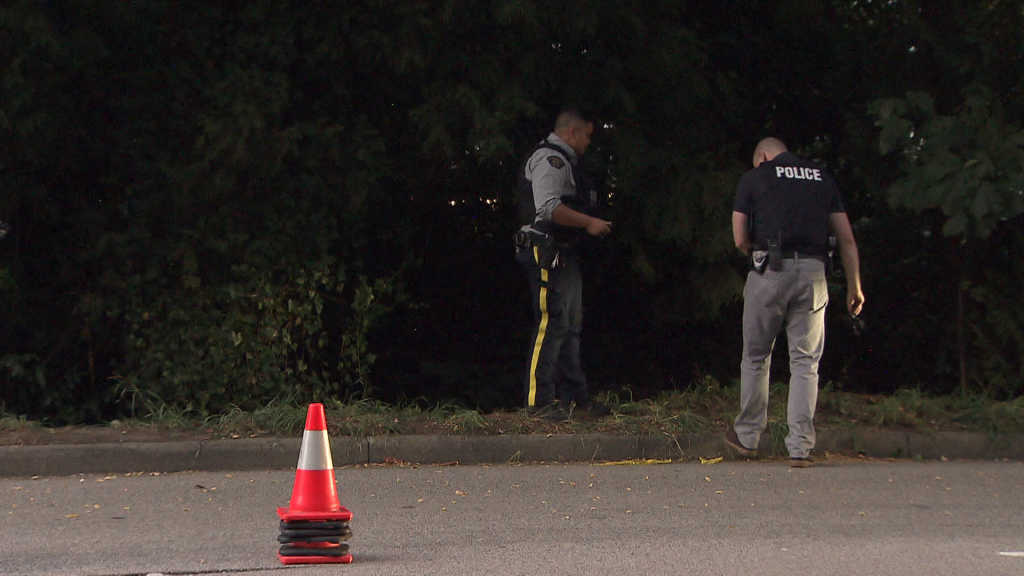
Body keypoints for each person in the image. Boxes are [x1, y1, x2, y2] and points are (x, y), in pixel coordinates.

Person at [725, 137, 864, 467]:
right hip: (814, 275)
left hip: (769, 271)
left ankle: (747, 438)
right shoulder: (821, 177)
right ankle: (800, 446)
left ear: (762, 156)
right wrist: (854, 286)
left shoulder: (755, 177)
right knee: (805, 363)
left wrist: (755, 256)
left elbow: (740, 237)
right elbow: (846, 238)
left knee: (756, 356)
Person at [514, 106, 613, 423]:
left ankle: (575, 398)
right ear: (572, 132)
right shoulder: (550, 160)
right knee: (552, 323)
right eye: (586, 135)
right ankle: (539, 403)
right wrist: (588, 223)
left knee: (569, 327)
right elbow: (548, 207)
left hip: (563, 253)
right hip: (546, 252)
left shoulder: (568, 163)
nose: (587, 142)